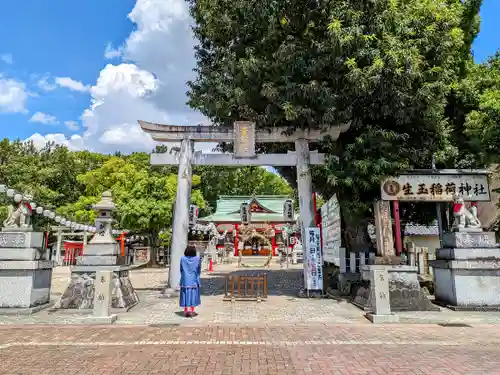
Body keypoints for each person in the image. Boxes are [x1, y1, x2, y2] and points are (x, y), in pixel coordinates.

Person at [179, 245, 201, 317]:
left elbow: (181, 269)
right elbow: (198, 270)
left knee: (185, 295)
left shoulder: (182, 259)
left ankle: (185, 310)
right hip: (194, 280)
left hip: (185, 280)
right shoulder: (197, 259)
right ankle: (192, 310)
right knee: (193, 295)